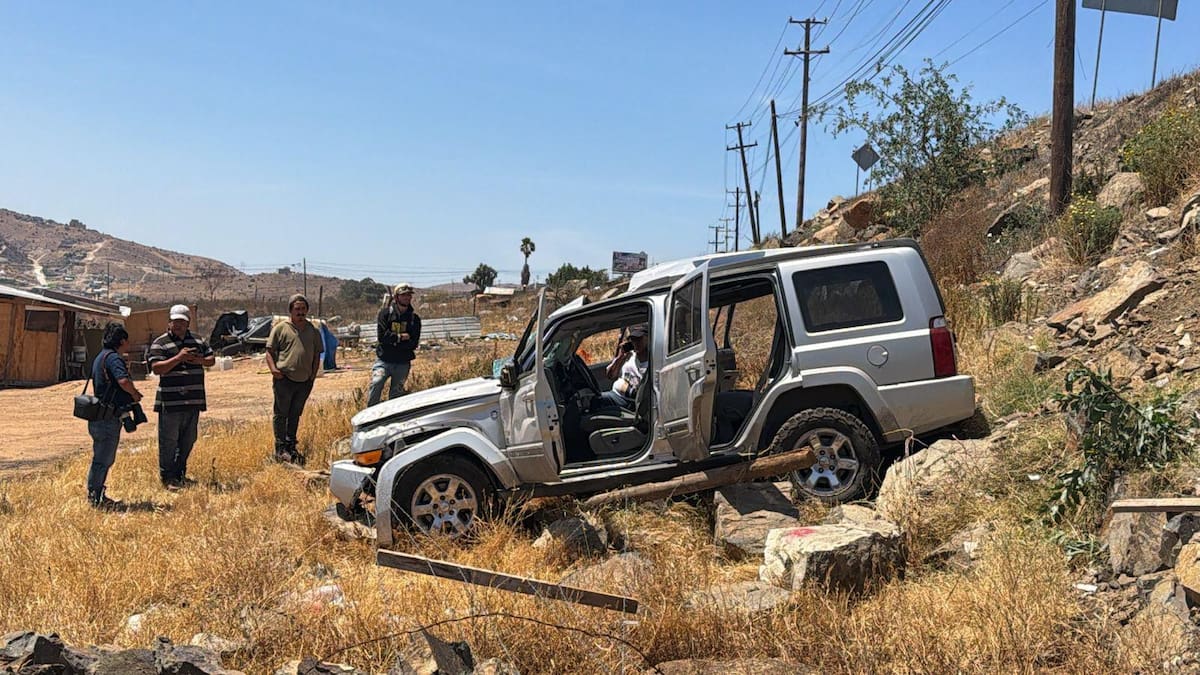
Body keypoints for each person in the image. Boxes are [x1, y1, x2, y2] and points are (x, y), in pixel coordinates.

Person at [148, 304, 215, 490]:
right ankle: (167, 477)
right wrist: (179, 358)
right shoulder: (160, 343)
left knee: (188, 439)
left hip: (193, 400)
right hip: (170, 402)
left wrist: (197, 360)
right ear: (169, 322)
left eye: (182, 322)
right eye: (175, 322)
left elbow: (211, 359)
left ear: (188, 323)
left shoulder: (198, 341)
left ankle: (180, 473)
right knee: (168, 441)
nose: (178, 326)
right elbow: (156, 368)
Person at [86, 322, 145, 509]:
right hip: (108, 417)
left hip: (98, 415)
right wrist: (135, 394)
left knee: (101, 457)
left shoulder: (100, 357)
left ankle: (96, 494)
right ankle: (96, 498)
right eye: (127, 341)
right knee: (103, 459)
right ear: (122, 341)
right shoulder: (113, 359)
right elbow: (123, 381)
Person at [266, 294, 324, 465]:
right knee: (281, 414)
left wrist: (312, 376)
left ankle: (291, 446)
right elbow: (269, 351)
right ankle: (280, 448)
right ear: (290, 310)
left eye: (303, 309)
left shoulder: (313, 331)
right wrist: (274, 370)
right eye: (297, 309)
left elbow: (317, 355)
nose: (300, 312)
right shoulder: (280, 328)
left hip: (304, 381)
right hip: (284, 379)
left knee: (295, 414)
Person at [367, 282, 422, 406]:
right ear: (397, 297)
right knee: (377, 382)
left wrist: (393, 340)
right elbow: (382, 337)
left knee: (396, 394)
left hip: (403, 362)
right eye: (403, 295)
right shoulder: (385, 314)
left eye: (409, 295)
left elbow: (413, 343)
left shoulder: (414, 319)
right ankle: (369, 414)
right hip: (384, 360)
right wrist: (401, 337)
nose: (407, 298)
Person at [598, 324, 650, 411]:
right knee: (595, 400)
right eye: (633, 339)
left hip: (631, 402)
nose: (636, 343)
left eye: (639, 339)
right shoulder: (629, 356)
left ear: (648, 338)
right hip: (616, 395)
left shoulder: (651, 363)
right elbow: (610, 376)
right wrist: (620, 357)